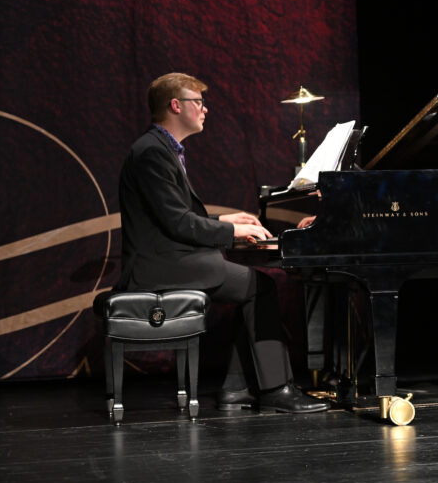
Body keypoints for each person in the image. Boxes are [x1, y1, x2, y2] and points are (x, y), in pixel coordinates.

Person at [116, 72, 329, 414]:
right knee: (260, 287)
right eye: (198, 102)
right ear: (175, 106)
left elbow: (173, 215)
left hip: (170, 257)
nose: (205, 110)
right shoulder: (151, 153)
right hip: (159, 266)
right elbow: (177, 223)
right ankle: (276, 390)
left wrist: (225, 221)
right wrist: (232, 234)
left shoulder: (160, 149)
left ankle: (235, 388)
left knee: (255, 286)